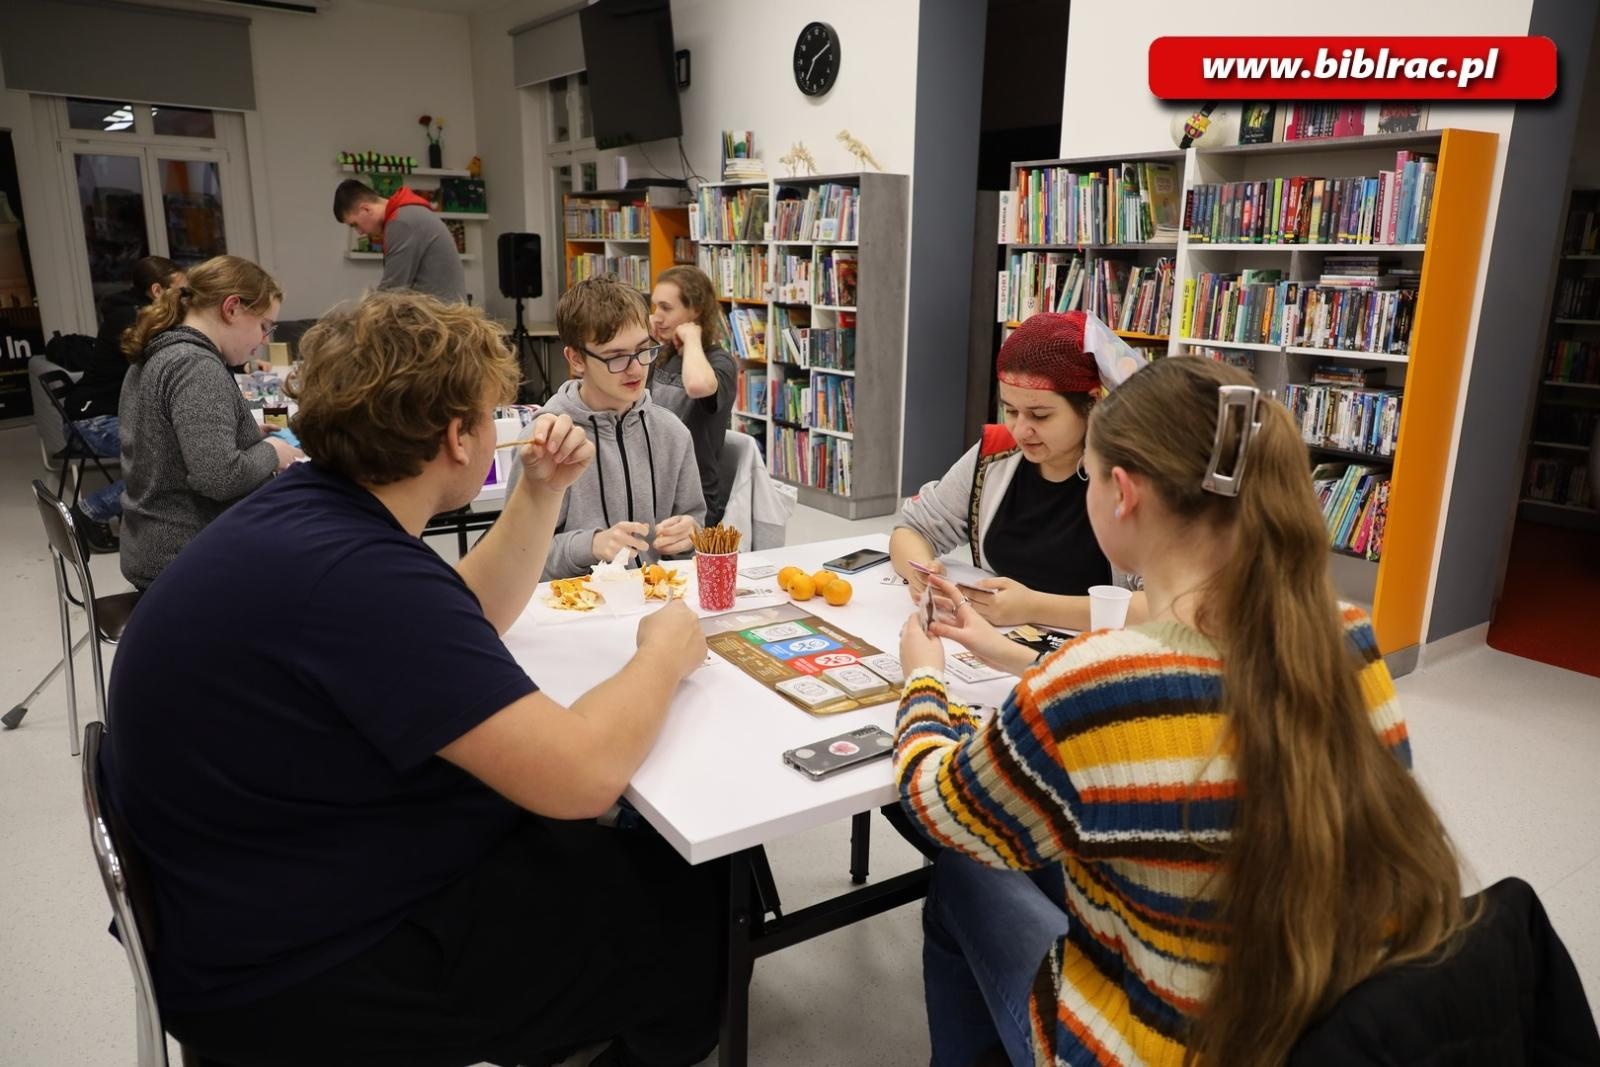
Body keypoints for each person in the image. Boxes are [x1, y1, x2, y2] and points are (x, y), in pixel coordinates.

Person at [101, 290, 727, 1067]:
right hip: (296, 972)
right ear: (458, 437)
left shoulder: (311, 514)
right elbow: (585, 774)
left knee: (593, 843)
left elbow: (457, 612)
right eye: (491, 416)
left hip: (251, 887)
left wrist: (538, 492)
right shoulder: (355, 575)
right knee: (689, 900)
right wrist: (662, 652)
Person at [894, 356, 1471, 1067]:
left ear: (1123, 493)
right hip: (1325, 1027)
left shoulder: (1096, 683)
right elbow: (1166, 697)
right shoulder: (1341, 629)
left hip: (1157, 1047)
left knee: (964, 868)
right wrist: (1007, 651)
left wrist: (923, 679)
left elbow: (933, 801)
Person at [890, 311, 1147, 634]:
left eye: (1040, 415)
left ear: (1092, 403)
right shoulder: (996, 453)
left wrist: (1034, 607)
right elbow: (913, 528)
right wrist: (922, 572)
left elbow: (1164, 603)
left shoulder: (1129, 477)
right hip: (995, 644)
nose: (1021, 430)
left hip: (1093, 657)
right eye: (1010, 410)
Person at [117, 255, 299, 590]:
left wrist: (241, 432)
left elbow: (165, 439)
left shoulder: (161, 349)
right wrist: (274, 451)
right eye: (263, 327)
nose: (263, 341)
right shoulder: (194, 365)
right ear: (231, 308)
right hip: (183, 555)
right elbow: (219, 478)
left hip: (149, 540)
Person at [538, 276, 705, 580]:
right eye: (616, 357)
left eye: (643, 350)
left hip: (655, 603)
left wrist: (690, 534)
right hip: (573, 611)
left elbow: (694, 524)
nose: (636, 368)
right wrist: (591, 545)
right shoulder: (549, 439)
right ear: (576, 359)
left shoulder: (672, 432)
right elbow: (522, 559)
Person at [62, 255, 184, 552]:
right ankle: (89, 512)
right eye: (183, 291)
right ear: (158, 291)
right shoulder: (131, 320)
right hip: (90, 421)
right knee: (171, 456)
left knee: (175, 450)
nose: (187, 298)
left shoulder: (141, 314)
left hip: (109, 413)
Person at [647, 265, 737, 524]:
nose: (657, 317)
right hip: (655, 488)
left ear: (695, 310)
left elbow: (697, 386)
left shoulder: (720, 363)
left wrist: (693, 337)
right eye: (655, 307)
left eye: (666, 308)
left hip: (694, 501)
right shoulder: (663, 354)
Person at [333, 178, 467, 303]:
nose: (360, 232)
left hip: (441, 320)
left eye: (355, 224)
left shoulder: (401, 222)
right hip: (442, 313)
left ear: (366, 209)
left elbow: (391, 292)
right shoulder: (407, 213)